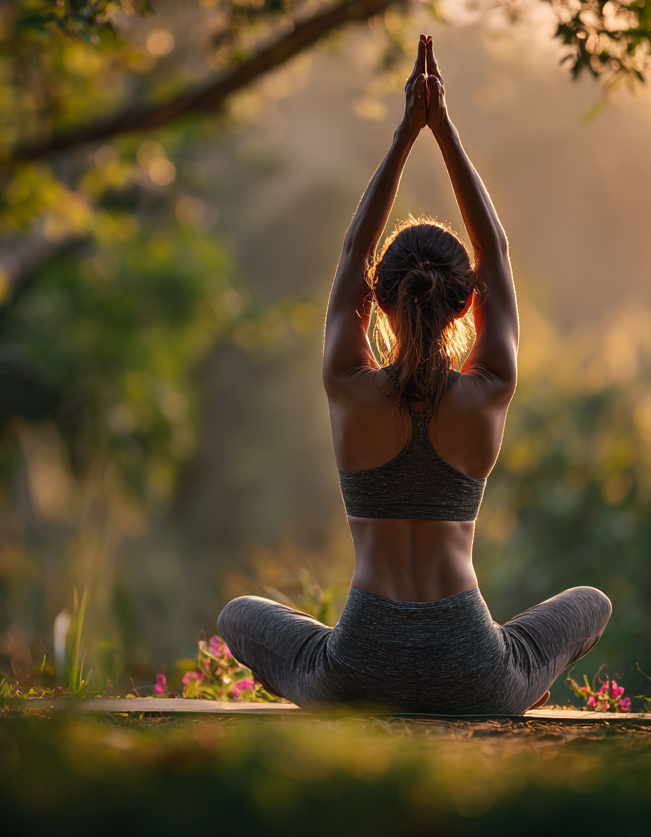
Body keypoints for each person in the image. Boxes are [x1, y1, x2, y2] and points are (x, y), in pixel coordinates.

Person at [217, 35, 611, 714]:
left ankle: (327, 694)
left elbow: (352, 250)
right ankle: (525, 687)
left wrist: (404, 136)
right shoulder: (488, 389)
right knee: (590, 604)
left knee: (238, 617)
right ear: (468, 299)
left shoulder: (349, 383)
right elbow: (498, 251)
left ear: (378, 297)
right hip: (474, 674)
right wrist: (444, 130)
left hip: (357, 671)